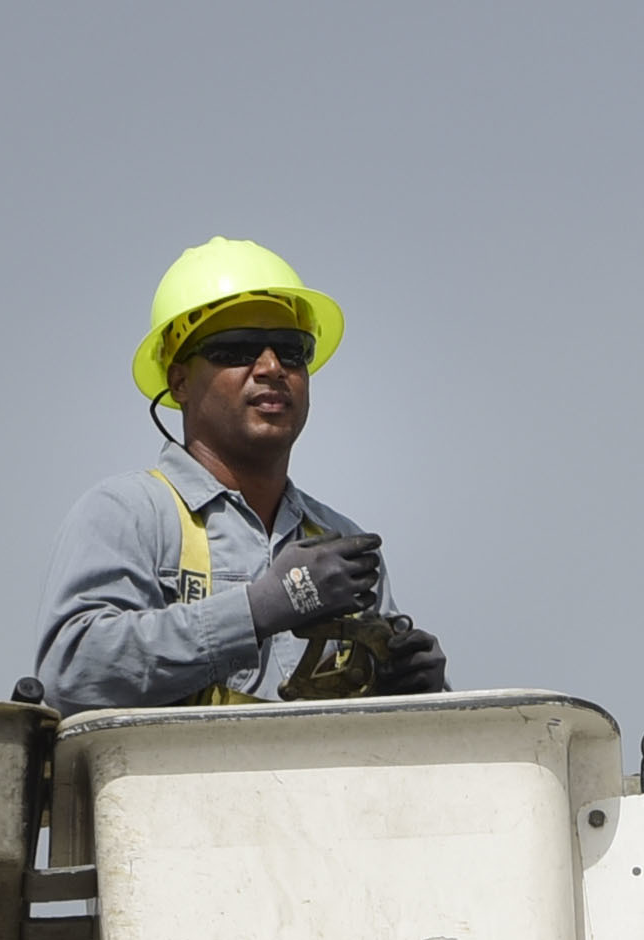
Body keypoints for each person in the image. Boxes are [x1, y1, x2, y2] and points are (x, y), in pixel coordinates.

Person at [36, 238, 451, 713]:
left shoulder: (338, 543)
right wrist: (257, 611)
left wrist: (417, 695)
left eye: (293, 351)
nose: (272, 368)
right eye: (236, 350)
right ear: (180, 381)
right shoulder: (129, 514)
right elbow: (71, 673)